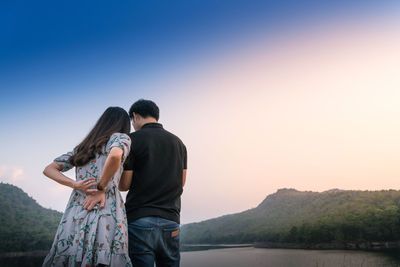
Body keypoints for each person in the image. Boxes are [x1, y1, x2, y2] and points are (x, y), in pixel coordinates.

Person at [42, 107, 132, 267]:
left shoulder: (83, 147)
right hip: (106, 209)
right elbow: (116, 155)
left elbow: (49, 169)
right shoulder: (120, 138)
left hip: (76, 210)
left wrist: (75, 184)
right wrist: (101, 187)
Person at [120, 99, 187, 267]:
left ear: (135, 116)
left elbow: (124, 185)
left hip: (139, 220)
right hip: (171, 220)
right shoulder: (179, 143)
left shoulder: (131, 140)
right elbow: (182, 182)